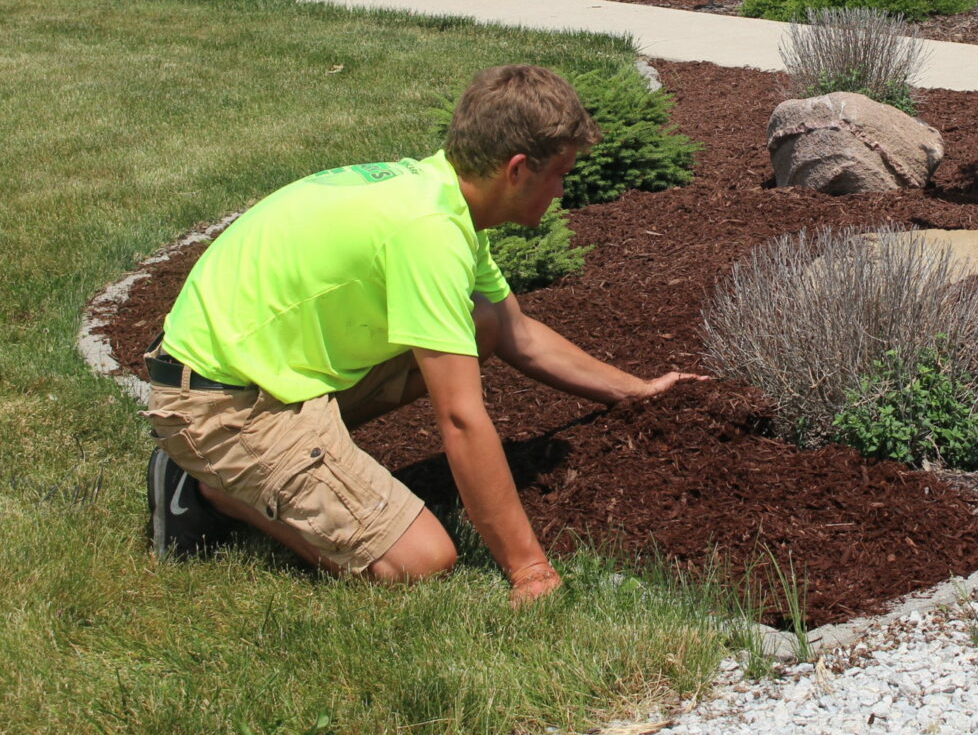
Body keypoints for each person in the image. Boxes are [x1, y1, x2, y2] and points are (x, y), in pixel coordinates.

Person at [142, 63, 706, 604]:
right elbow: (460, 418)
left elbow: (515, 333)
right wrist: (529, 569)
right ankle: (216, 489)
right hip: (222, 402)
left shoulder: (439, 194)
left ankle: (254, 475)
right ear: (516, 169)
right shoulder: (429, 231)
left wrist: (637, 392)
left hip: (266, 370)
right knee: (419, 562)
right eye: (559, 173)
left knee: (481, 322)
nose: (561, 191)